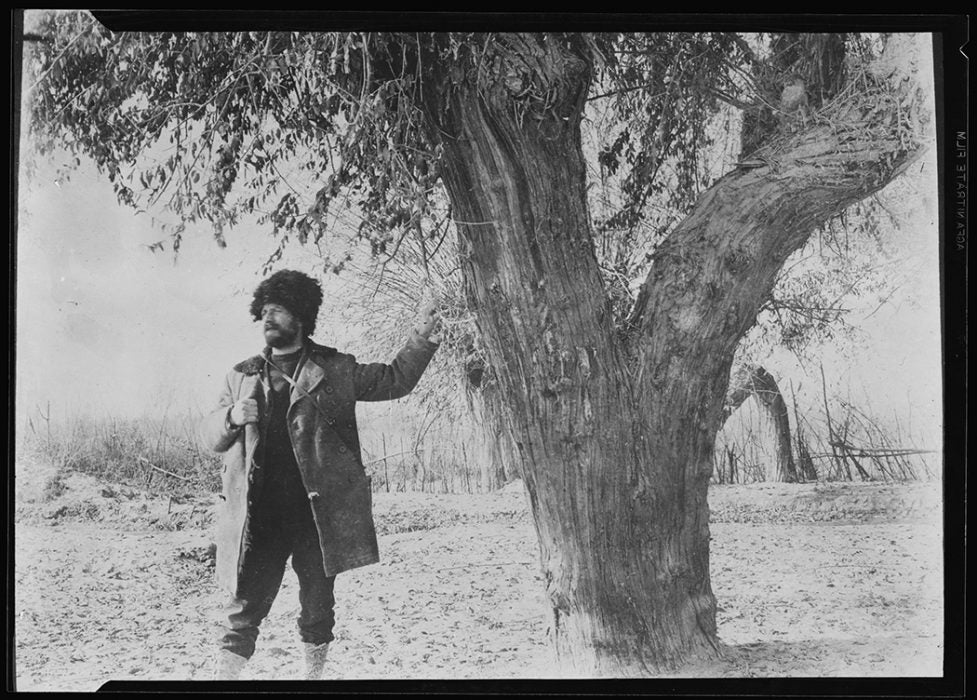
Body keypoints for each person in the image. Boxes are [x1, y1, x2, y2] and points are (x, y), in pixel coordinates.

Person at [199, 269, 441, 680]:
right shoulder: (240, 375)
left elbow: (395, 379)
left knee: (317, 609)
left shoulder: (336, 369)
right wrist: (232, 416)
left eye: (278, 310)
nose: (267, 318)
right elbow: (210, 436)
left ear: (301, 316)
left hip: (317, 517)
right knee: (242, 609)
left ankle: (313, 681)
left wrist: (421, 336)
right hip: (260, 517)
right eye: (264, 311)